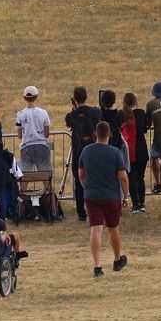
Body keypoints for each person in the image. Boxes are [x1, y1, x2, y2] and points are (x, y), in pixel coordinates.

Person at [77, 122, 130, 278]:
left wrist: (86, 187)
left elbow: (80, 174)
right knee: (113, 228)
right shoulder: (114, 152)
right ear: (109, 135)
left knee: (96, 229)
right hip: (111, 196)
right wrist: (125, 196)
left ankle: (97, 266)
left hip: (91, 195)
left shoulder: (86, 151)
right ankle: (117, 259)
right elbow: (123, 176)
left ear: (95, 134)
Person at [65, 87, 102, 221]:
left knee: (79, 182)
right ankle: (97, 209)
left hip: (78, 153)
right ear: (86, 97)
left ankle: (81, 213)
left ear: (74, 98)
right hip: (94, 151)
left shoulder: (72, 115)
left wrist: (74, 109)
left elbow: (68, 121)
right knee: (96, 180)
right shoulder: (94, 112)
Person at [120, 93, 148, 213]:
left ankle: (136, 204)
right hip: (141, 149)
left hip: (129, 150)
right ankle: (141, 203)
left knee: (132, 178)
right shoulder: (141, 113)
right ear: (135, 101)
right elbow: (145, 128)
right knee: (141, 177)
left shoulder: (122, 115)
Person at [14, 86, 51, 173]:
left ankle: (23, 187)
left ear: (24, 98)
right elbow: (46, 134)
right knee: (45, 175)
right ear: (36, 97)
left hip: (26, 147)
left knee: (25, 176)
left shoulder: (20, 114)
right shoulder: (44, 113)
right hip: (42, 146)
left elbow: (20, 136)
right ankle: (47, 187)